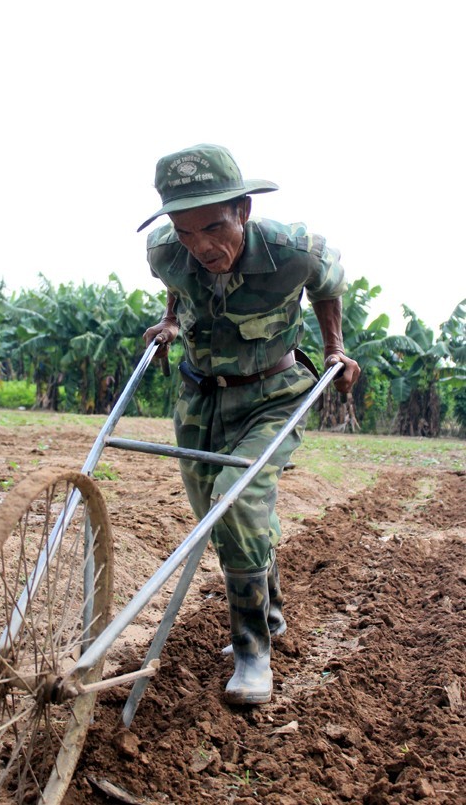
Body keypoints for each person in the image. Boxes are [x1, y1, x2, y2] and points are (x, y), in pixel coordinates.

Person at [141, 143, 360, 706]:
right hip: (198, 395)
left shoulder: (293, 251)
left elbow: (329, 284)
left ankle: (252, 650)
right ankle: (273, 609)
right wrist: (168, 322)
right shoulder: (165, 252)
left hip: (272, 394)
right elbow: (180, 282)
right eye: (186, 232)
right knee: (220, 515)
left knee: (235, 499)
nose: (203, 246)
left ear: (243, 209)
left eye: (214, 226)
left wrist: (335, 347)